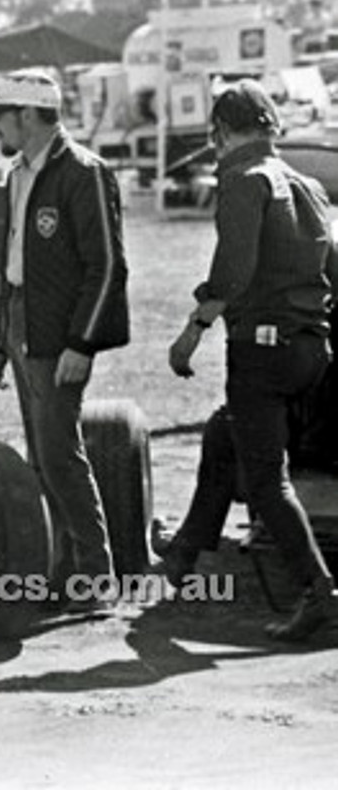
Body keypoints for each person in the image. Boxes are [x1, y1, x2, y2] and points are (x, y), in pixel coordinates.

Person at [164, 79, 338, 642]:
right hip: (311, 351)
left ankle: (320, 594)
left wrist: (193, 330)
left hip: (262, 350)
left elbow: (234, 273)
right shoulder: (308, 185)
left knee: (266, 481)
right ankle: (183, 556)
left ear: (218, 133)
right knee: (226, 433)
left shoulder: (242, 180)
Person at [0, 69, 131, 613]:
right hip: (24, 322)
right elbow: (12, 261)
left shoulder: (85, 172)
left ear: (25, 115)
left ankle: (94, 576)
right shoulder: (18, 174)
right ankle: (65, 571)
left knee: (60, 454)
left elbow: (107, 266)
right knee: (42, 457)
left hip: (58, 332)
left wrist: (82, 343)